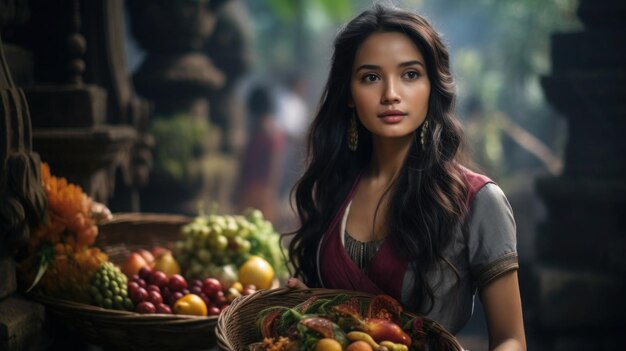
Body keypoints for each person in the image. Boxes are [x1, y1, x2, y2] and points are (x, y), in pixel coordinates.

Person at [284, 4, 526, 350]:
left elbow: (511, 338)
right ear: (349, 95)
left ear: (432, 86)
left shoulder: (477, 200)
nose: (391, 95)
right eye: (371, 77)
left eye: (410, 74)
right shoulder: (336, 190)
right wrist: (310, 309)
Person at [234, 84, 285, 222]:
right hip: (257, 188)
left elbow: (273, 164)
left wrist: (269, 190)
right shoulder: (267, 129)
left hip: (259, 189)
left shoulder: (266, 131)